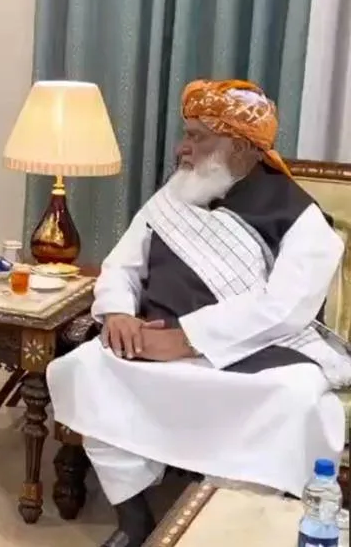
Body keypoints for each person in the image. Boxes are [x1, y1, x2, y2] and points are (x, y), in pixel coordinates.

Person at [47, 79, 350, 547]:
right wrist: (119, 314)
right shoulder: (174, 195)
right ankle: (134, 519)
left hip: (252, 350)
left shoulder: (300, 216)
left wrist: (187, 339)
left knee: (296, 399)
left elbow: (287, 306)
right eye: (185, 134)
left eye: (196, 137)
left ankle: (216, 521)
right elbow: (121, 267)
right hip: (152, 339)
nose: (181, 148)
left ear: (241, 146)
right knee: (85, 368)